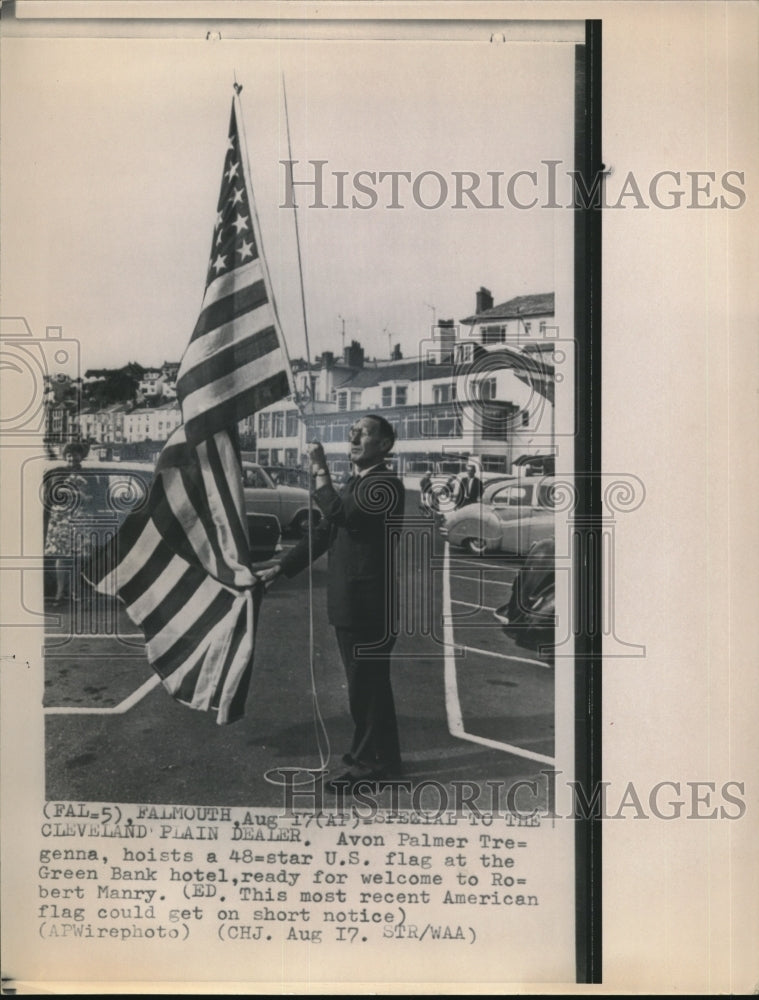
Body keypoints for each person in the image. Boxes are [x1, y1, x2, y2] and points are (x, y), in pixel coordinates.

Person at [257, 415, 405, 791]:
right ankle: (381, 760)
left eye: (365, 431)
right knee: (369, 687)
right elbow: (326, 531)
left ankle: (370, 766)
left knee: (366, 687)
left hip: (367, 606)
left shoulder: (386, 484)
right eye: (352, 430)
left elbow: (344, 516)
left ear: (385, 444)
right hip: (356, 604)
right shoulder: (360, 482)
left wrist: (319, 468)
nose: (353, 435)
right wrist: (281, 567)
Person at [44, 441, 93, 606]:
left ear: (81, 456)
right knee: (62, 557)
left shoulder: (89, 474)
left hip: (81, 516)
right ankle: (60, 593)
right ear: (65, 456)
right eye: (69, 454)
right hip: (61, 518)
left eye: (76, 454)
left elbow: (97, 495)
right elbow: (51, 496)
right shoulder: (58, 473)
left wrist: (85, 497)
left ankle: (75, 592)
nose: (73, 457)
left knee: (78, 558)